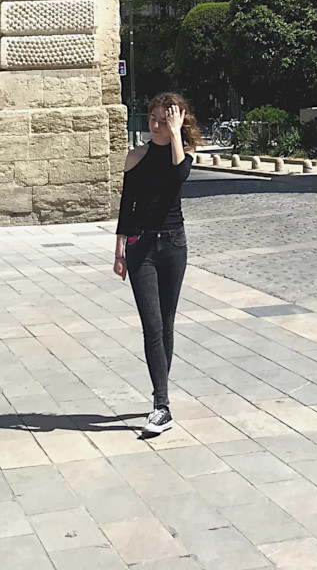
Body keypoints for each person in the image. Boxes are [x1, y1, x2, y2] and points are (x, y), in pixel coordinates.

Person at [113, 92, 198, 436]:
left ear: (177, 121)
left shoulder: (184, 154)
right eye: (152, 118)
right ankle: (161, 404)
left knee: (166, 323)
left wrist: (176, 135)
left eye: (164, 120)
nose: (156, 124)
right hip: (141, 247)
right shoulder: (135, 157)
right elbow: (126, 205)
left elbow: (178, 178)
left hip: (174, 244)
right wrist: (119, 249)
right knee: (152, 327)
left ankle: (161, 397)